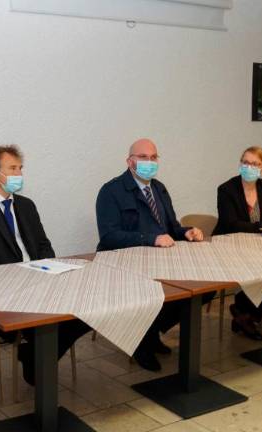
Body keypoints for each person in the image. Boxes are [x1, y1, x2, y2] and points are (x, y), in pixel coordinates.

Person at [0, 145, 91, 385]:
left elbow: (43, 244)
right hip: (5, 289)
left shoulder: (26, 205)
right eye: (12, 168)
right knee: (48, 320)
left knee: (87, 310)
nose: (19, 174)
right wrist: (23, 278)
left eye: (20, 168)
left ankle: (33, 354)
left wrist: (50, 268)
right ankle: (36, 357)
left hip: (42, 280)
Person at [95, 138, 212, 371]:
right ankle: (142, 340)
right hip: (127, 264)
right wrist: (150, 239)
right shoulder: (111, 191)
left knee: (205, 289)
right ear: (130, 161)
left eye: (153, 157)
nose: (149, 162)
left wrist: (186, 231)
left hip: (161, 261)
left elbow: (170, 227)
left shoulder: (159, 188)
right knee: (156, 293)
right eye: (143, 157)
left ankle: (150, 331)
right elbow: (109, 237)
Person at [213, 146, 262, 341]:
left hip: (259, 245)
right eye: (246, 162)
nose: (249, 167)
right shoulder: (226, 189)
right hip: (228, 247)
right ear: (240, 164)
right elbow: (232, 225)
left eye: (255, 164)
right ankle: (245, 314)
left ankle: (244, 314)